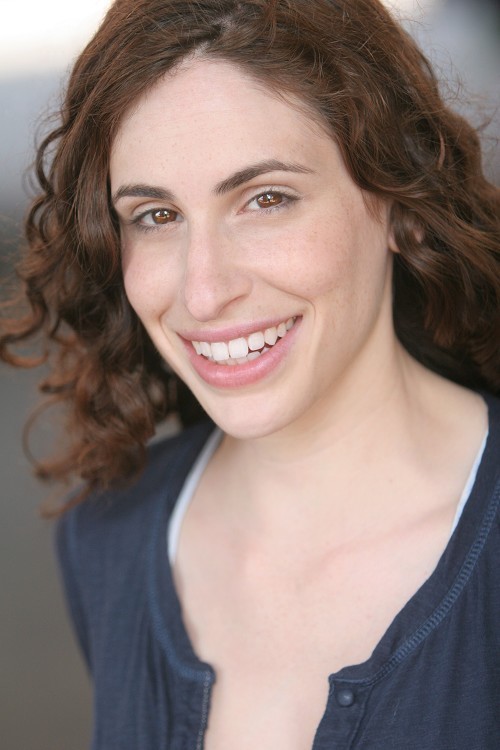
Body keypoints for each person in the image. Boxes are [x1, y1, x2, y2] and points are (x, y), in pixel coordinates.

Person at [1, 0, 499, 748]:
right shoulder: (108, 538)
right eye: (156, 216)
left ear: (404, 206)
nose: (203, 292)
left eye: (267, 200)